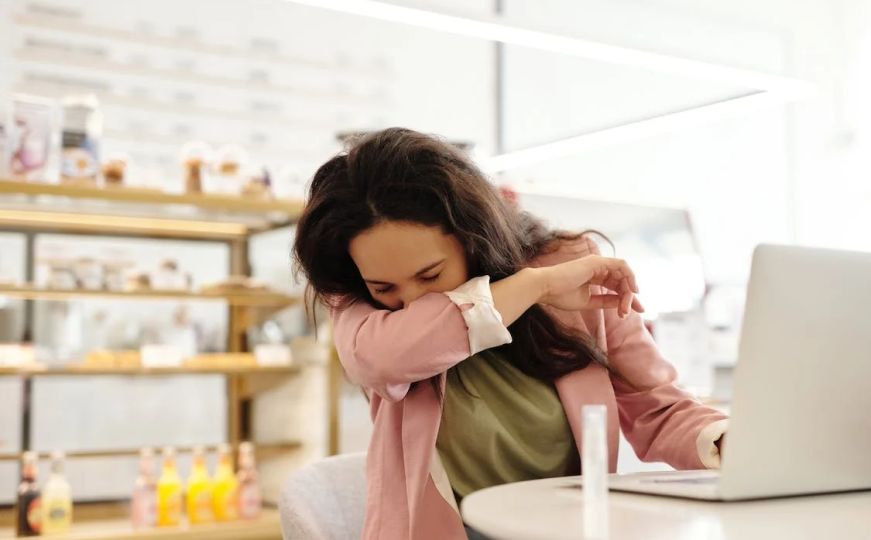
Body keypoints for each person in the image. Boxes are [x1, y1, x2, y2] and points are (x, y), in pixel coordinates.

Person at [293, 128, 728, 540]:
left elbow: (656, 407)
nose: (412, 302)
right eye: (384, 288)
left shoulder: (566, 264)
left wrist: (728, 442)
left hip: (567, 529)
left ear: (472, 238)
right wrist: (536, 287)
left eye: (430, 275)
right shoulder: (356, 303)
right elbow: (383, 360)